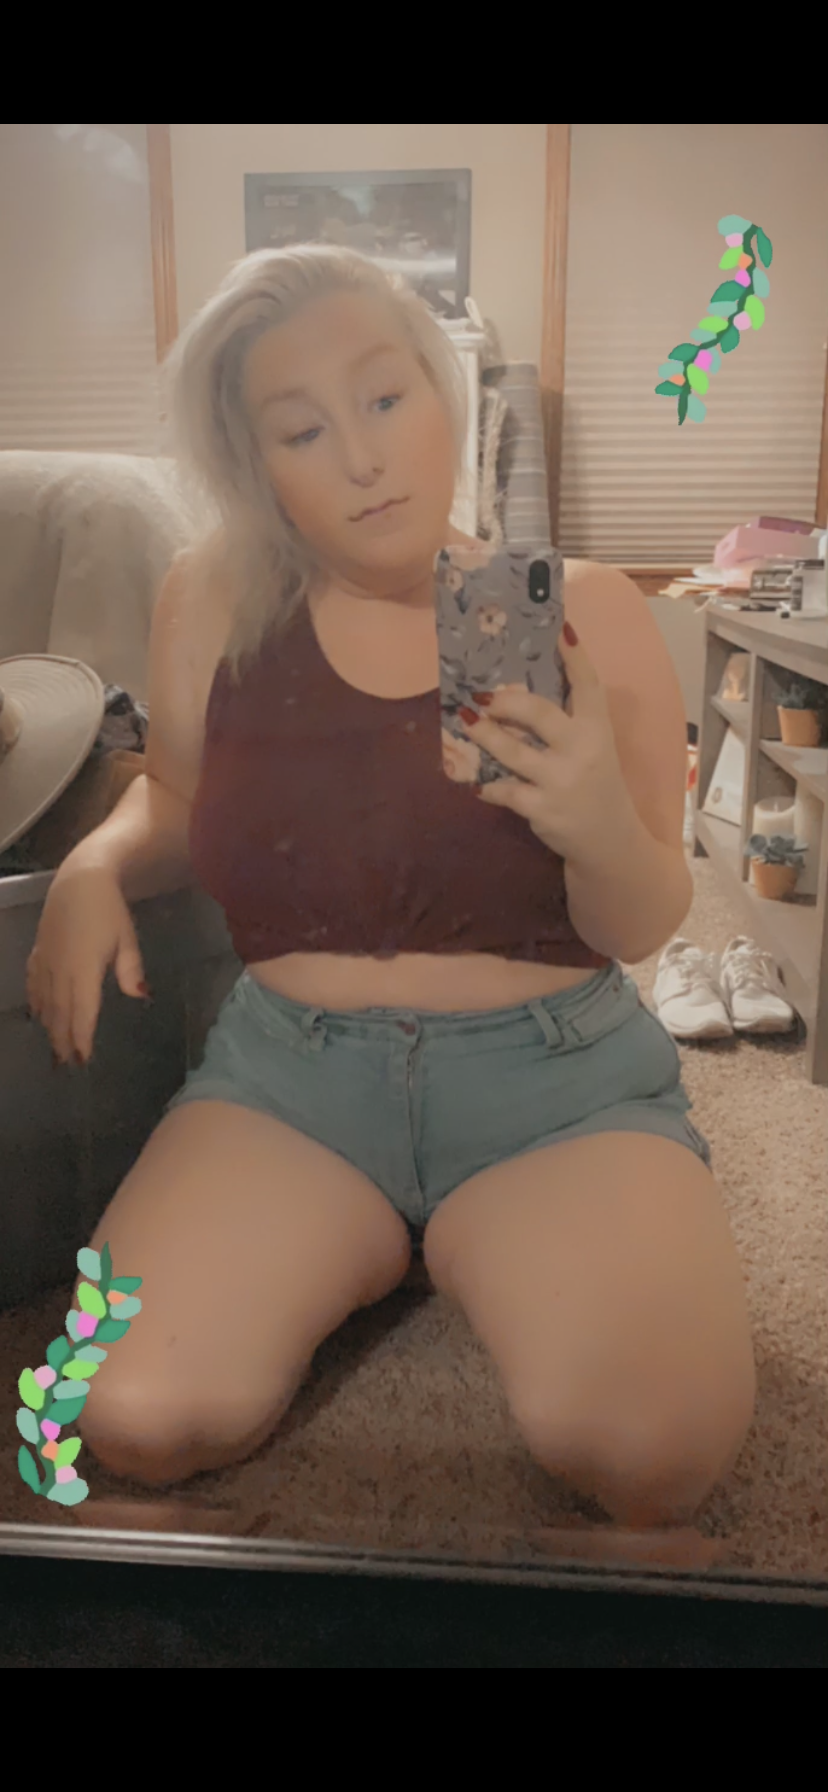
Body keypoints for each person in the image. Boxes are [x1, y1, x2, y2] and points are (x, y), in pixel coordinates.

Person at [27, 246, 756, 1526]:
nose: (363, 457)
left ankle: (468, 1236)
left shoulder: (582, 612)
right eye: (302, 429)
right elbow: (182, 794)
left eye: (384, 397)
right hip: (286, 1079)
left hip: (556, 1088)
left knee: (651, 1453)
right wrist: (96, 859)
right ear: (256, 463)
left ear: (442, 394)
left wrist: (593, 819)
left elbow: (646, 921)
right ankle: (371, 1238)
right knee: (115, 1409)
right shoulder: (215, 598)